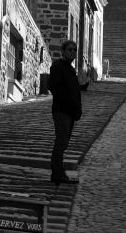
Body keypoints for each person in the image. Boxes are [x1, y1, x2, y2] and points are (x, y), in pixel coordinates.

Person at [48, 39, 82, 185]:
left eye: (75, 50)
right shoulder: (57, 66)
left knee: (64, 143)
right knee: (61, 142)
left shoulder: (70, 68)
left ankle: (59, 173)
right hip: (62, 110)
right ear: (63, 51)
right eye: (70, 49)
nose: (73, 52)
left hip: (69, 112)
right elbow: (54, 87)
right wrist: (69, 101)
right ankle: (57, 173)